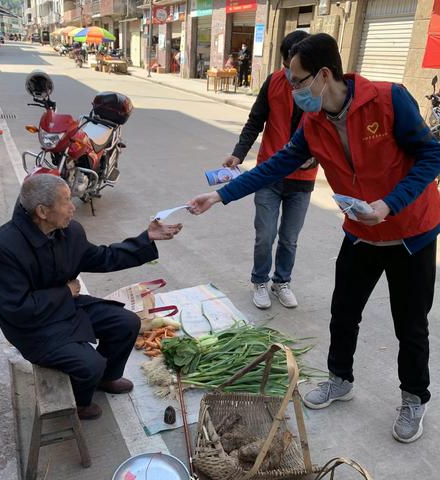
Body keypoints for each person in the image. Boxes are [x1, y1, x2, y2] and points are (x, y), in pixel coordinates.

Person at [187, 33, 440, 443]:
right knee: (343, 312)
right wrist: (218, 195)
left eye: (297, 80)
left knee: (410, 326)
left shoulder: (389, 100)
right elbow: (274, 166)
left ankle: (414, 397)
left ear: (324, 75)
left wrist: (389, 204)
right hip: (361, 232)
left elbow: (432, 155)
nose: (291, 88)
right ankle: (340, 379)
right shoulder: (314, 122)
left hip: (411, 233)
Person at [0, 175, 183, 420]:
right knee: (90, 364)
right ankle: (80, 403)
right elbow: (16, 309)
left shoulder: (68, 232)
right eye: (66, 201)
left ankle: (106, 378)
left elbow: (102, 257)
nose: (73, 207)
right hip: (31, 327)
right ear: (43, 211)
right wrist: (65, 291)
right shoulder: (3, 249)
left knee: (126, 323)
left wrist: (146, 239)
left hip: (66, 307)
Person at [224, 30, 316, 310]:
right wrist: (238, 154)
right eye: (287, 68)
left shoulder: (319, 90)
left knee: (290, 239)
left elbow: (332, 135)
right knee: (265, 235)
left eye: (296, 69)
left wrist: (316, 159)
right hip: (269, 175)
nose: (291, 76)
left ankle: (282, 282)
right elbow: (255, 121)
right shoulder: (273, 82)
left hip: (302, 181)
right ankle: (260, 281)